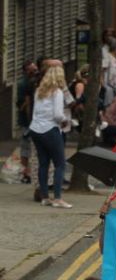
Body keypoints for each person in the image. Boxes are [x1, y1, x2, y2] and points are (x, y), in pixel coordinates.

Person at [30, 65, 71, 208]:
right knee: (60, 164)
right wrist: (65, 121)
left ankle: (45, 197)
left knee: (43, 163)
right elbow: (58, 115)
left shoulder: (39, 92)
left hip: (35, 129)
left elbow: (35, 112)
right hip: (50, 129)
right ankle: (58, 198)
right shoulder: (57, 92)